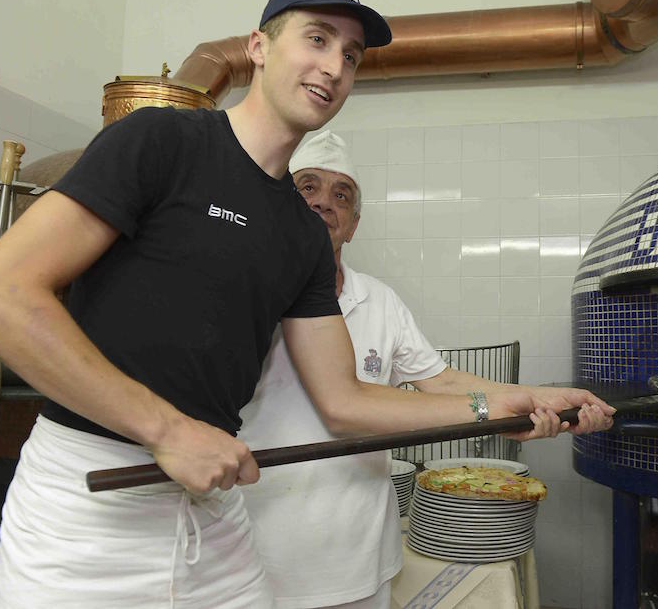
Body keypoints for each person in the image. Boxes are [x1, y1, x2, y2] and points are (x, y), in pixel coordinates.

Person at [0, 0, 614, 608]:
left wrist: (507, 405)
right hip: (87, 504)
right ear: (258, 46)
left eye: (351, 55)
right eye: (317, 39)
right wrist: (166, 427)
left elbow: (346, 401)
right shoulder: (161, 142)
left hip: (210, 509)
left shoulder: (300, 233)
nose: (334, 67)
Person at [238, 131, 612, 609]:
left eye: (341, 196)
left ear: (353, 225)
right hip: (262, 546)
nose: (324, 204)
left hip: (361, 553)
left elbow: (443, 381)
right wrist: (491, 408)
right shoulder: (247, 293)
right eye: (307, 187)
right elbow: (345, 407)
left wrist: (542, 397)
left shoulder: (379, 300)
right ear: (281, 204)